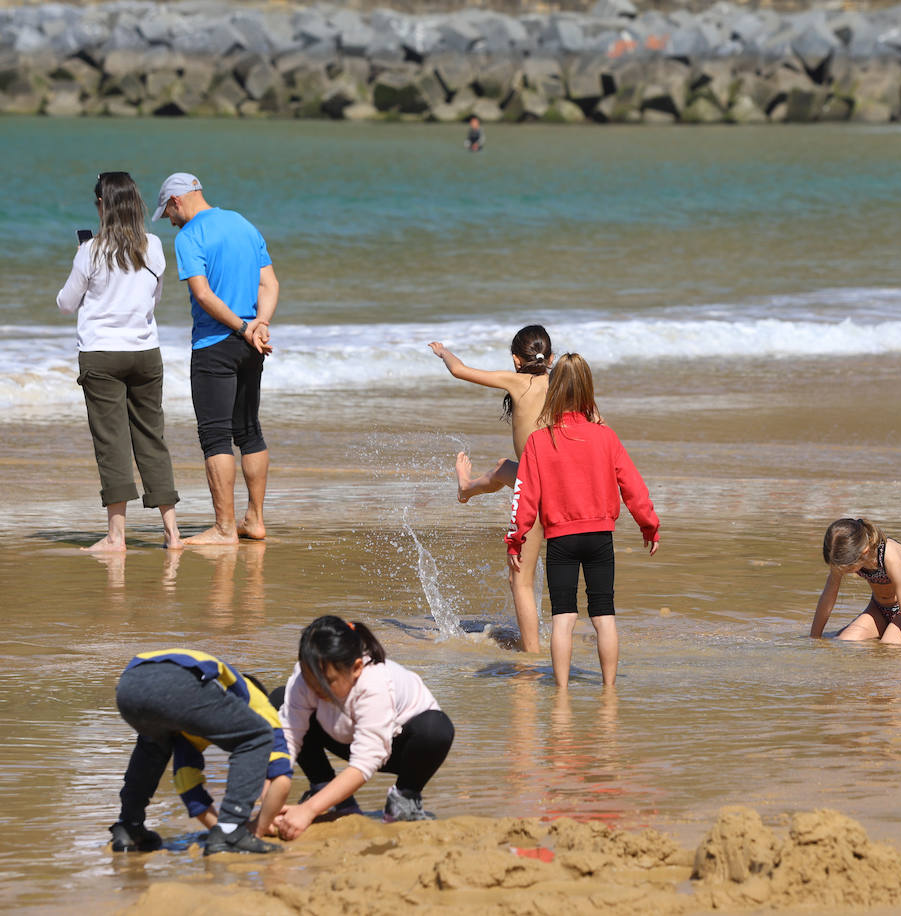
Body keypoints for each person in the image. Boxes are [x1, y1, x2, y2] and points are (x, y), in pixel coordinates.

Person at [504, 354, 660, 689]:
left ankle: (560, 692)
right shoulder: (606, 437)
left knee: (563, 619)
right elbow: (632, 485)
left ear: (553, 390)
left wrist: (516, 538)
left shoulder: (539, 441)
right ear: (588, 389)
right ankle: (609, 690)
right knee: (604, 616)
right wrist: (649, 525)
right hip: (600, 536)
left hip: (561, 539)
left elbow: (525, 497)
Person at [56, 171, 181, 552]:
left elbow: (65, 304)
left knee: (112, 444)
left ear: (102, 206)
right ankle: (173, 533)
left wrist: (81, 258)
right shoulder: (155, 246)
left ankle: (116, 536)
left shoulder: (90, 251)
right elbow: (154, 298)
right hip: (145, 353)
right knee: (152, 439)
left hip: (101, 354)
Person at [153, 172, 279, 545]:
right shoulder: (242, 223)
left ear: (177, 201)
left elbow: (204, 296)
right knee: (250, 430)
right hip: (252, 344)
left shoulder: (190, 236)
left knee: (215, 436)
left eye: (168, 214)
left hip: (215, 343)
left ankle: (225, 529)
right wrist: (260, 324)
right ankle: (254, 519)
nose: (170, 222)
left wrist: (241, 328)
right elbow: (270, 284)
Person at [271, 615, 455, 840]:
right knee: (280, 699)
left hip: (399, 747)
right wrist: (268, 805)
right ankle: (325, 788)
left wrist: (308, 810)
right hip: (346, 735)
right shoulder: (305, 676)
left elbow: (365, 761)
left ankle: (404, 799)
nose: (316, 690)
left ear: (357, 668)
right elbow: (287, 738)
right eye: (311, 681)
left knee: (436, 729)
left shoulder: (374, 683)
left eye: (327, 682)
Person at [429, 326, 553, 653]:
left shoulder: (517, 380)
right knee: (502, 468)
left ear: (516, 359)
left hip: (534, 487)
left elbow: (459, 370)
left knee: (520, 581)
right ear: (550, 357)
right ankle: (467, 488)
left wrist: (443, 352)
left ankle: (532, 654)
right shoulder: (562, 384)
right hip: (560, 482)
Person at [111, 648, 289, 855]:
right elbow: (282, 776)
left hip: (129, 686)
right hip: (181, 683)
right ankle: (233, 831)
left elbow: (187, 784)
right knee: (257, 736)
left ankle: (129, 825)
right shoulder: (260, 705)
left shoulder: (192, 723)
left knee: (153, 748)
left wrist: (216, 829)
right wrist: (254, 829)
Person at [811, 517, 901, 645]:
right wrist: (814, 639)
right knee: (845, 641)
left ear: (864, 552)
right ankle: (889, 633)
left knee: (889, 646)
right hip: (878, 607)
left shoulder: (889, 556)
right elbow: (828, 597)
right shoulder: (848, 555)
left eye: (845, 568)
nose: (840, 572)